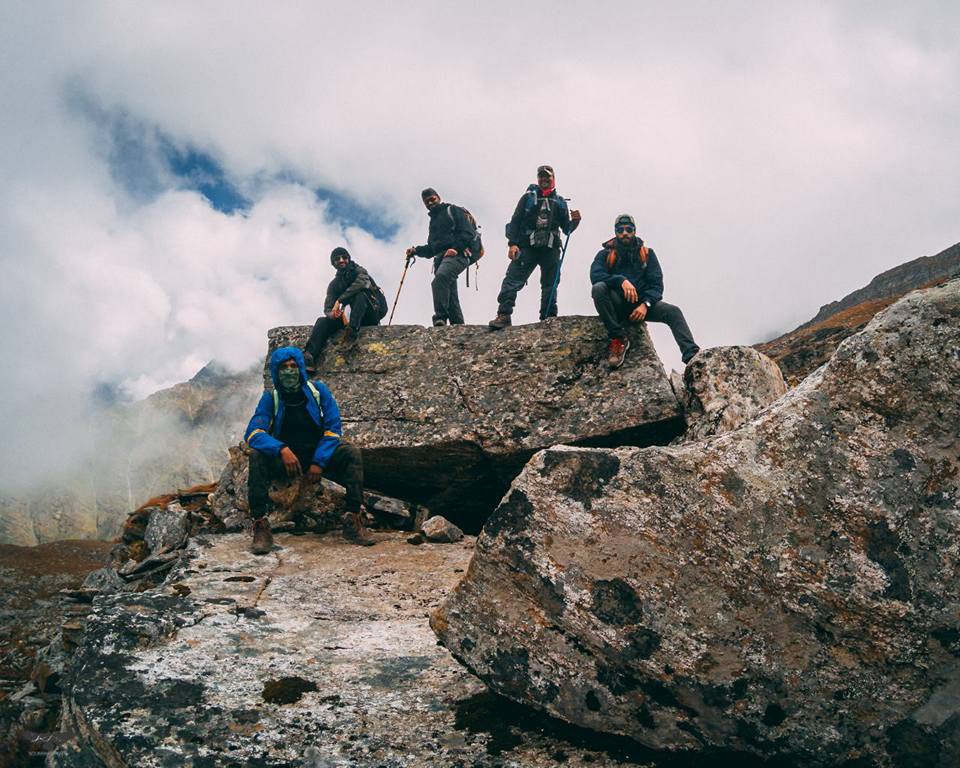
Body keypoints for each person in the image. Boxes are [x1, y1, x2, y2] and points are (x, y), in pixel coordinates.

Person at [244, 346, 375, 553]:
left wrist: (319, 461)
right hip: (287, 461)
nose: (289, 371)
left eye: (293, 366)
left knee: (351, 453)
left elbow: (333, 429)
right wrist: (281, 449)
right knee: (257, 455)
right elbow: (253, 432)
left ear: (300, 368)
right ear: (276, 372)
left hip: (317, 454)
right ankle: (260, 525)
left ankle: (353, 519)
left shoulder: (318, 391)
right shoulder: (271, 398)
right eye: (283, 367)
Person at [590, 214, 700, 370]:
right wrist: (620, 280)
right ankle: (619, 338)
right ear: (615, 232)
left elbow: (656, 285)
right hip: (617, 304)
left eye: (629, 229)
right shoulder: (605, 254)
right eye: (620, 230)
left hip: (641, 306)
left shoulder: (647, 254)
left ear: (634, 231)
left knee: (673, 312)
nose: (625, 233)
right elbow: (595, 276)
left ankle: (692, 356)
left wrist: (645, 304)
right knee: (598, 288)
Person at [488, 165, 581, 329]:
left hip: (551, 249)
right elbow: (515, 221)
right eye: (541, 177)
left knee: (550, 284)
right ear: (538, 179)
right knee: (512, 279)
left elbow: (567, 229)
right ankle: (504, 315)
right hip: (527, 247)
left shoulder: (560, 202)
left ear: (553, 179)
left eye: (547, 177)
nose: (544, 180)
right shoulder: (527, 198)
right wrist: (512, 244)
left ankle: (548, 319)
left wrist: (575, 221)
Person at [303, 247, 387, 369]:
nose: (341, 260)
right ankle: (309, 356)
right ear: (333, 263)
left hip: (369, 314)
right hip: (347, 317)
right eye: (337, 259)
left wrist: (340, 300)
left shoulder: (360, 271)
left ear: (349, 259)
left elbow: (362, 284)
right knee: (322, 321)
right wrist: (332, 315)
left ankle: (351, 333)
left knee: (360, 295)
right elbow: (328, 308)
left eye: (344, 257)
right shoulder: (334, 285)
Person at [405, 188, 475, 326]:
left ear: (438, 197)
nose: (430, 203)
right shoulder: (433, 222)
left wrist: (455, 248)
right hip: (441, 259)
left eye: (432, 199)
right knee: (451, 297)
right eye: (427, 202)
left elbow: (468, 232)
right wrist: (416, 250)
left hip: (458, 254)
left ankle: (440, 318)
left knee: (440, 280)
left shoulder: (452, 210)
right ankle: (458, 327)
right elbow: (432, 249)